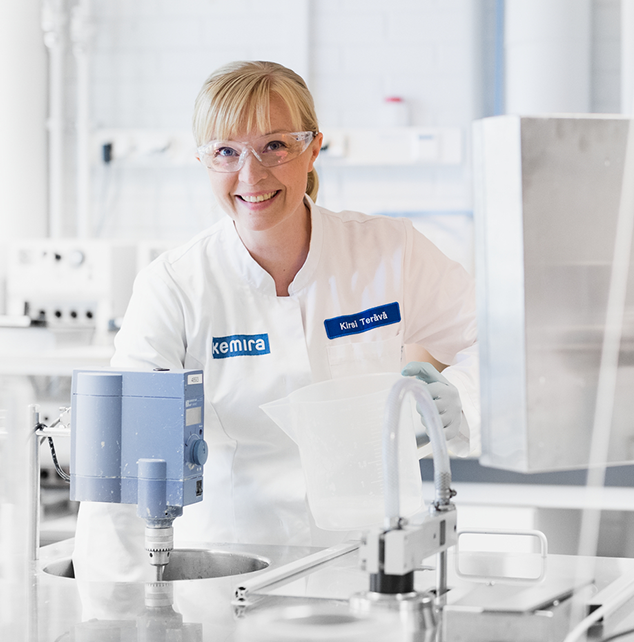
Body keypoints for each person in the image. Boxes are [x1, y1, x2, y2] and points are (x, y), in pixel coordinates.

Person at [72, 60, 479, 582]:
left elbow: (497, 348)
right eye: (226, 151)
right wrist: (115, 612)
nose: (251, 174)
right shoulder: (174, 285)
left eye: (275, 146)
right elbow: (124, 466)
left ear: (313, 147)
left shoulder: (390, 252)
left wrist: (460, 402)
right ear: (204, 161)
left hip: (373, 562)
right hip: (228, 573)